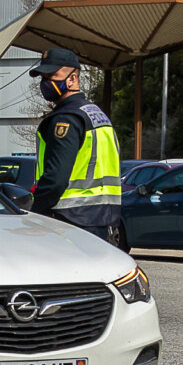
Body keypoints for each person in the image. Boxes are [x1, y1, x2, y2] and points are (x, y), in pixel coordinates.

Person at [27, 46, 125, 245]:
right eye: (43, 78)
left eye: (53, 75)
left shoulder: (66, 119)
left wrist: (33, 213)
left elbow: (56, 179)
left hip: (70, 223)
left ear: (72, 78)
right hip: (105, 221)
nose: (46, 83)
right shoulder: (97, 115)